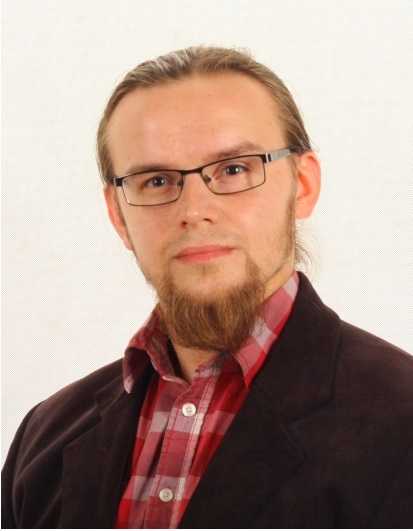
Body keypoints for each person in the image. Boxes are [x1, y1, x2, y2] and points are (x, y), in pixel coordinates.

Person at [2, 46, 412, 529]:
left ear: (302, 185)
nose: (194, 210)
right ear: (118, 214)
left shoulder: (402, 421)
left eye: (234, 169)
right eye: (156, 180)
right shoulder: (44, 438)